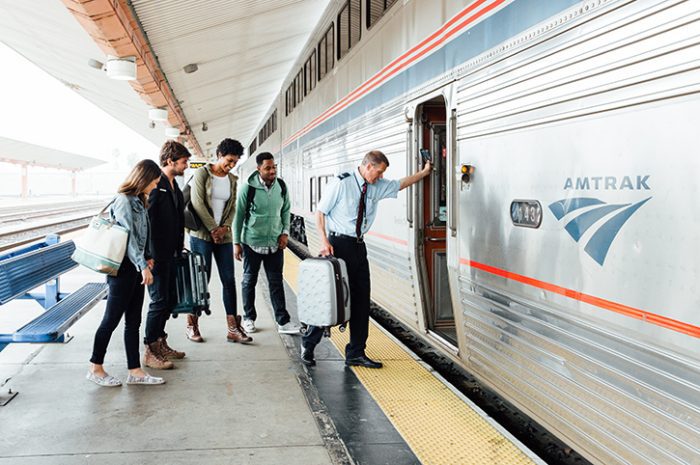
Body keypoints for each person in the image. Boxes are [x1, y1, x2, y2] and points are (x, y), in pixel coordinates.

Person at [300, 150, 431, 368]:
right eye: (378, 172)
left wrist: (424, 173)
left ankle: (356, 353)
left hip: (359, 248)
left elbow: (400, 184)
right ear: (368, 166)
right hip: (338, 246)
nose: (380, 177)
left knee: (361, 301)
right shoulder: (342, 183)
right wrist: (324, 242)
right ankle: (309, 344)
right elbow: (321, 213)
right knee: (330, 299)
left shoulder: (375, 186)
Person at [87, 159, 165, 386]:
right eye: (153, 181)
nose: (155, 185)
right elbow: (128, 236)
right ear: (143, 178)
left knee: (133, 321)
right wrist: (142, 265)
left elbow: (143, 235)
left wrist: (147, 256)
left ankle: (135, 371)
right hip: (121, 270)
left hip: (135, 268)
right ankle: (95, 367)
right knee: (111, 320)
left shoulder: (139, 201)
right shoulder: (123, 201)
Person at [188, 138, 251, 343]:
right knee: (201, 281)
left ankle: (233, 328)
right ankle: (192, 325)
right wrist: (213, 229)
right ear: (219, 155)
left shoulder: (232, 180)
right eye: (229, 160)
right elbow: (197, 203)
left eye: (235, 162)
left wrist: (224, 228)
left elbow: (233, 207)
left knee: (229, 280)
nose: (231, 165)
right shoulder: (202, 174)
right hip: (202, 236)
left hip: (224, 236)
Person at [233, 152, 300, 335]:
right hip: (252, 242)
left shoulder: (281, 186)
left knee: (276, 282)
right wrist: (236, 242)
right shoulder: (248, 188)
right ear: (259, 169)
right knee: (249, 281)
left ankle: (283, 321)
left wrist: (285, 233)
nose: (272, 171)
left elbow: (286, 211)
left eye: (274, 167)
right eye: (268, 168)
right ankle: (248, 318)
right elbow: (238, 216)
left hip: (275, 243)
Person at [143, 140, 190, 369]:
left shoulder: (174, 186)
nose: (187, 165)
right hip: (157, 256)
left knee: (170, 300)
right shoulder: (156, 185)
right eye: (184, 161)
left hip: (171, 254)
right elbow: (147, 222)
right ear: (170, 161)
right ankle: (150, 350)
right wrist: (147, 254)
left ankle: (160, 342)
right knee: (159, 301)